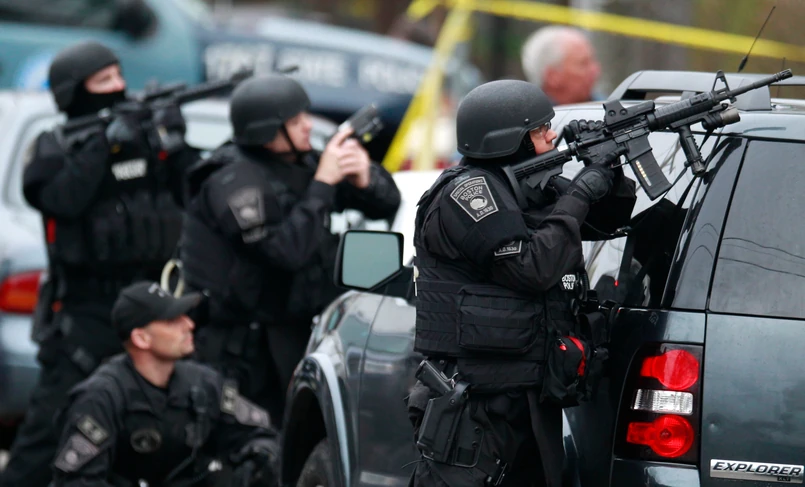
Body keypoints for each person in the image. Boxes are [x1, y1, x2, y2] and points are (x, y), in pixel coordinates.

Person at [405, 79, 636, 487]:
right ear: (510, 139)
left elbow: (608, 223)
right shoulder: (468, 194)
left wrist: (606, 163)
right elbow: (533, 266)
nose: (551, 136)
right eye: (541, 130)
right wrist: (581, 191)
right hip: (476, 405)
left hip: (525, 394)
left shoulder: (521, 189)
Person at [2, 41, 198, 487]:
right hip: (86, 314)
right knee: (49, 434)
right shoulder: (55, 147)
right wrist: (104, 143)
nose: (118, 86)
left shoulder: (144, 138)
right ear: (75, 92)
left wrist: (174, 142)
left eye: (119, 75)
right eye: (103, 80)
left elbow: (195, 193)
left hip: (150, 305)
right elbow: (61, 199)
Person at [178, 74, 402, 423]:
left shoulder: (300, 164)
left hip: (294, 333)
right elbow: (285, 252)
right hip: (242, 348)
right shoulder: (231, 180)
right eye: (296, 121)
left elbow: (387, 204)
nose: (308, 126)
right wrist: (323, 184)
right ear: (267, 132)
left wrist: (365, 178)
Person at [50, 281, 279, 487]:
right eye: (172, 321)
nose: (189, 324)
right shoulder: (101, 398)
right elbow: (77, 481)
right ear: (141, 338)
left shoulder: (205, 382)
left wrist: (258, 463)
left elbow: (262, 434)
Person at [521, 25, 602, 105]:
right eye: (583, 64)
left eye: (592, 61)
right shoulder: (529, 112)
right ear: (553, 76)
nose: (596, 70)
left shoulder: (604, 107)